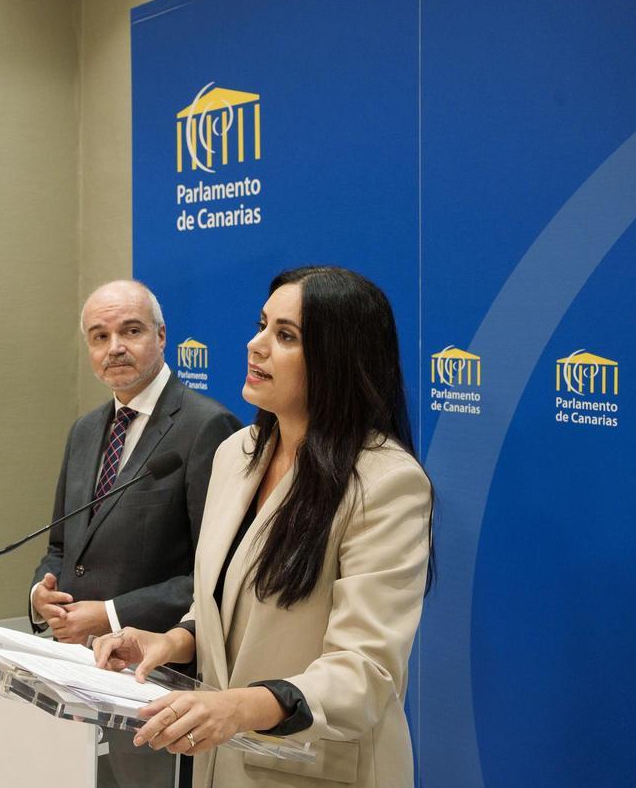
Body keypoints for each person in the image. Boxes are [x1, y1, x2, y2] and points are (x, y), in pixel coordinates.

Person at [93, 266, 433, 788]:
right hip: (218, 763)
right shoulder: (236, 454)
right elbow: (227, 603)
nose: (255, 345)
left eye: (286, 336)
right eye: (262, 324)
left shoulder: (386, 483)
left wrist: (239, 708)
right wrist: (174, 642)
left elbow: (366, 673)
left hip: (316, 768)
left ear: (338, 360)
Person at [32, 279, 240, 786]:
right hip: (79, 668)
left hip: (155, 677)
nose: (114, 348)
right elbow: (62, 545)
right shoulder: (84, 430)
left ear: (162, 336)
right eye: (99, 336)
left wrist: (108, 615)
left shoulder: (207, 427)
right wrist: (44, 593)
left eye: (130, 330)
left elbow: (216, 577)